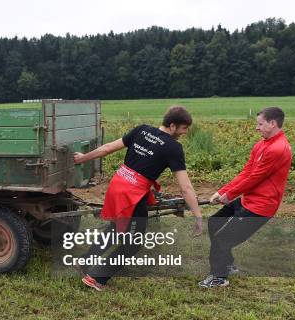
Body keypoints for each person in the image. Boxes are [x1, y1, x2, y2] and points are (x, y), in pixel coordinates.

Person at [73, 106, 203, 291]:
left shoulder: (141, 129)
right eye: (183, 128)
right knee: (133, 243)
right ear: (172, 126)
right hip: (131, 194)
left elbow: (108, 148)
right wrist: (198, 214)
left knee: (118, 228)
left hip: (118, 184)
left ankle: (85, 261)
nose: (185, 132)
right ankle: (96, 278)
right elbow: (186, 187)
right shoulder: (173, 148)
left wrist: (83, 158)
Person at [199, 107, 292, 288]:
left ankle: (219, 277)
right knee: (214, 222)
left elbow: (254, 178)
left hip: (261, 206)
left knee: (222, 239)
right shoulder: (261, 144)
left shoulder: (278, 149)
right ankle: (227, 264)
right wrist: (223, 191)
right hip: (247, 199)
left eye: (260, 124)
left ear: (272, 124)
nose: (257, 128)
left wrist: (230, 194)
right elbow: (247, 172)